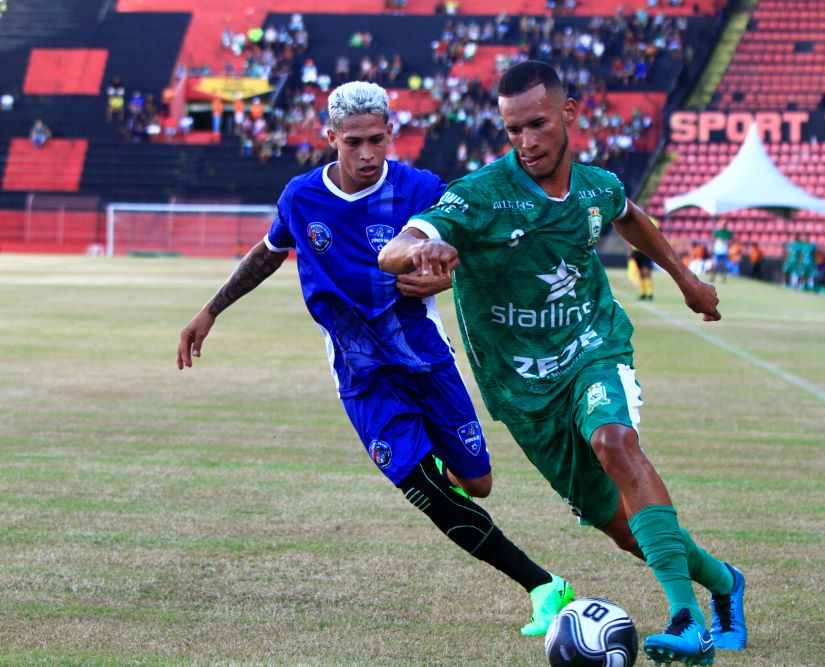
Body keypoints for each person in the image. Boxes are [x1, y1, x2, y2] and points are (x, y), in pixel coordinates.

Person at [379, 60, 745, 666]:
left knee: (614, 441)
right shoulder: (479, 197)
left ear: (570, 113)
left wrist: (685, 280)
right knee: (621, 527)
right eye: (513, 129)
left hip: (593, 348)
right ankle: (725, 581)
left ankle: (687, 620)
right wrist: (422, 250)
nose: (526, 142)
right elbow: (397, 249)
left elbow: (630, 216)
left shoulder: (595, 186)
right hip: (524, 393)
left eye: (538, 124)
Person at [176, 81, 572, 638]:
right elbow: (269, 252)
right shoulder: (302, 197)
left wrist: (441, 269)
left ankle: (435, 464)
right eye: (354, 142)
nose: (367, 154)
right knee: (429, 494)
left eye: (377, 141)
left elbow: (463, 243)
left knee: (477, 483)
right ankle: (543, 586)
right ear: (331, 137)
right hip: (363, 377)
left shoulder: (421, 188)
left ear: (392, 134)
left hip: (427, 361)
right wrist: (210, 310)